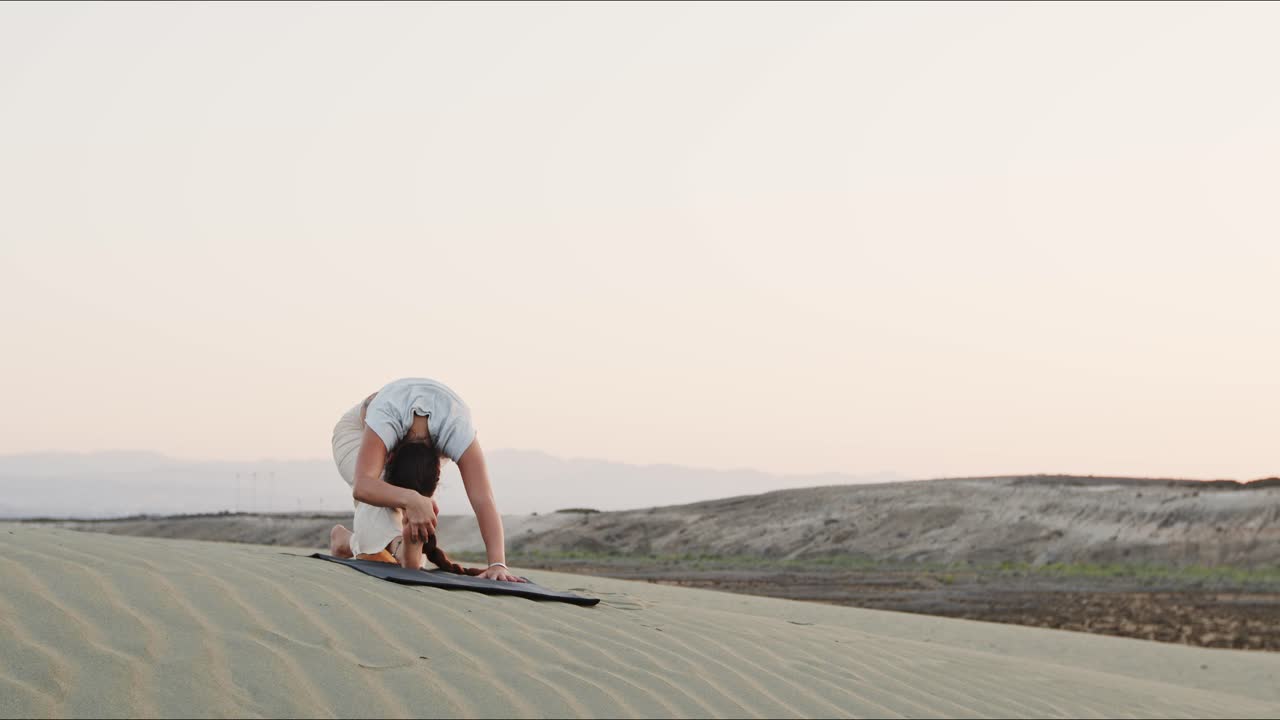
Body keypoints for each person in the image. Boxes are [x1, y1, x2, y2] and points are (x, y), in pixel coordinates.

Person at [328, 377, 524, 582]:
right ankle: (355, 543)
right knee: (380, 504)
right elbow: (363, 486)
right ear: (390, 456)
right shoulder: (385, 420)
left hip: (413, 440)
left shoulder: (456, 431)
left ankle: (376, 547)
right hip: (358, 432)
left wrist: (497, 564)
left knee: (404, 550)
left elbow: (484, 498)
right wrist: (411, 500)